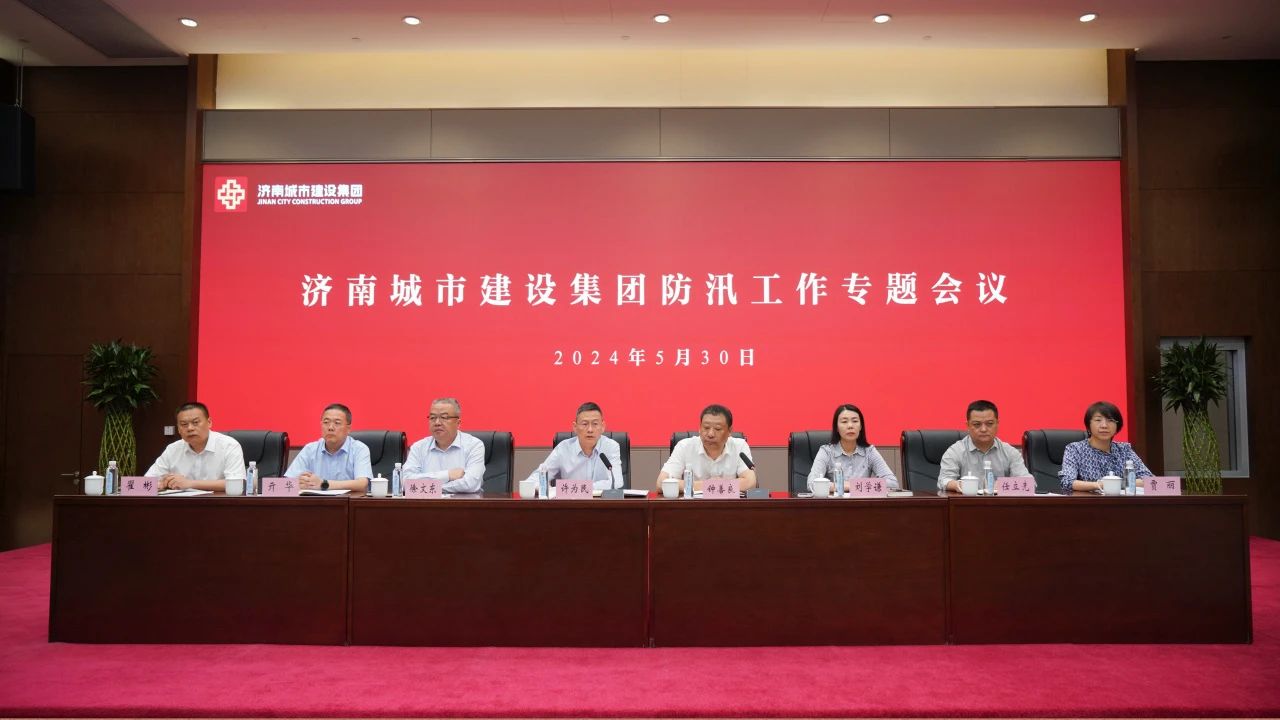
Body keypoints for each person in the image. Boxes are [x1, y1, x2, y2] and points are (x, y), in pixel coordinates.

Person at [144, 401, 245, 491]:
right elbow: (145, 482)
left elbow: (237, 484)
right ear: (178, 429)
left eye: (195, 422)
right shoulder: (173, 449)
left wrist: (189, 483)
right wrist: (159, 484)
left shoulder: (229, 446)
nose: (190, 428)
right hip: (180, 504)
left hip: (218, 503)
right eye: (184, 424)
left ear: (209, 423)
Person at [657, 404, 756, 494]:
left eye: (717, 429)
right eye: (706, 427)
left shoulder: (739, 446)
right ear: (699, 428)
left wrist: (692, 486)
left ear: (729, 431)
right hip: (693, 506)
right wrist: (708, 485)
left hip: (728, 506)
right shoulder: (684, 446)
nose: (710, 434)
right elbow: (661, 483)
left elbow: (750, 483)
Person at [1059, 400, 1153, 493]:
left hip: (1120, 501)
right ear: (1088, 425)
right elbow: (1067, 482)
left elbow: (1150, 480)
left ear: (1117, 426)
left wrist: (1115, 484)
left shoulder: (1124, 450)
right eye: (1098, 420)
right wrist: (1101, 485)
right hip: (1088, 501)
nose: (1104, 425)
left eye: (1110, 420)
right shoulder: (1075, 449)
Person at [528, 401, 624, 491]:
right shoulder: (563, 449)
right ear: (575, 427)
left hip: (603, 503)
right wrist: (548, 489)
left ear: (602, 427)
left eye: (595, 424)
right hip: (571, 503)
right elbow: (533, 480)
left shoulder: (611, 447)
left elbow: (617, 482)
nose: (590, 429)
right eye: (584, 424)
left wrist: (577, 488)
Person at [938, 399, 1030, 492]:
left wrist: (1004, 485)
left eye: (989, 424)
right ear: (968, 426)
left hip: (999, 501)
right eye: (977, 424)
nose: (983, 429)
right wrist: (959, 485)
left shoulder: (1010, 452)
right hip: (967, 500)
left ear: (997, 424)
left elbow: (1029, 483)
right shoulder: (955, 451)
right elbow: (943, 481)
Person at [807, 403, 898, 493]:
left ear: (861, 426)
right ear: (837, 428)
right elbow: (811, 484)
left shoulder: (869, 451)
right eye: (844, 422)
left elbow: (893, 483)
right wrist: (847, 486)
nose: (850, 426)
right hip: (836, 502)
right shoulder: (826, 452)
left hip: (862, 502)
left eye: (855, 421)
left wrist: (853, 485)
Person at [403, 397, 485, 493]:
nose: (437, 423)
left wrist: (430, 488)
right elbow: (405, 483)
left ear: (458, 423)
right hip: (426, 502)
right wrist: (447, 475)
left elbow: (470, 484)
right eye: (433, 418)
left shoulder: (474, 445)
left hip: (463, 502)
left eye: (444, 417)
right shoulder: (418, 447)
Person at [284, 403, 372, 492]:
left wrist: (323, 484)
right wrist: (299, 483)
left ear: (348, 428)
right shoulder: (310, 449)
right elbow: (284, 485)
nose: (330, 427)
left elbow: (362, 484)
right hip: (316, 500)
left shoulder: (359, 449)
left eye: (337, 423)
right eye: (326, 422)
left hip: (347, 500)